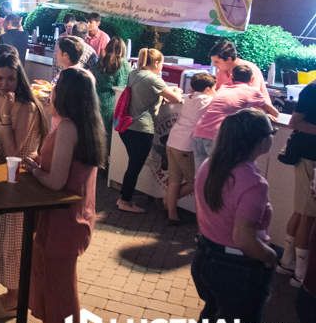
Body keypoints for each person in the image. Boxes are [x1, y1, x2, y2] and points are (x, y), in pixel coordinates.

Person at [21, 67, 106, 323]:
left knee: (59, 286)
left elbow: (56, 181)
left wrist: (33, 169)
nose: (52, 90)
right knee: (54, 280)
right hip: (70, 216)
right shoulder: (86, 124)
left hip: (63, 219)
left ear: (66, 93)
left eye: (57, 86)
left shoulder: (69, 127)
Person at [188, 109, 277, 323]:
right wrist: (270, 257)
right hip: (237, 269)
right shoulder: (253, 183)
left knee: (211, 318)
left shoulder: (210, 166)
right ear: (259, 141)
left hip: (206, 256)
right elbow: (244, 238)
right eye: (270, 132)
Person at [0, 53, 48, 319]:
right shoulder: (1, 100)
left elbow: (14, 152)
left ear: (19, 79)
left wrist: (5, 116)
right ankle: (12, 293)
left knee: (13, 241)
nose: (5, 83)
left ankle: (16, 299)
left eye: (10, 78)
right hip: (5, 179)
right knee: (1, 236)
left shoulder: (25, 106)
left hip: (20, 182)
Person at [118, 48, 183, 213]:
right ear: (156, 62)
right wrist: (175, 91)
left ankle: (123, 198)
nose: (162, 67)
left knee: (133, 165)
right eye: (161, 63)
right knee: (134, 167)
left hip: (126, 127)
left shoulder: (134, 74)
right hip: (142, 129)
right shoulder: (154, 79)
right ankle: (125, 201)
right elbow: (175, 99)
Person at [192, 65, 279, 169]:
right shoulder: (251, 92)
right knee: (218, 176)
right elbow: (275, 113)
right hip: (217, 135)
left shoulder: (224, 87)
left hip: (199, 131)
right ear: (251, 79)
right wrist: (265, 115)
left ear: (232, 77)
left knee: (201, 177)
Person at [164, 73, 216, 225]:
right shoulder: (207, 100)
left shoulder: (189, 98)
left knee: (174, 180)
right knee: (195, 181)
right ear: (208, 89)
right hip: (186, 146)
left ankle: (171, 213)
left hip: (173, 140)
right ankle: (167, 203)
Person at [279, 81, 316, 288]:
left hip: (308, 158)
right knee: (308, 216)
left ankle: (286, 262)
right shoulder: (312, 91)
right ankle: (300, 274)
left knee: (301, 211)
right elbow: (295, 122)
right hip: (309, 159)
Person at [93, 36, 130, 147]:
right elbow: (122, 86)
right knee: (108, 138)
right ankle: (105, 161)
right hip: (112, 103)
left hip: (96, 100)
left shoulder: (100, 61)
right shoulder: (123, 64)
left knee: (96, 133)